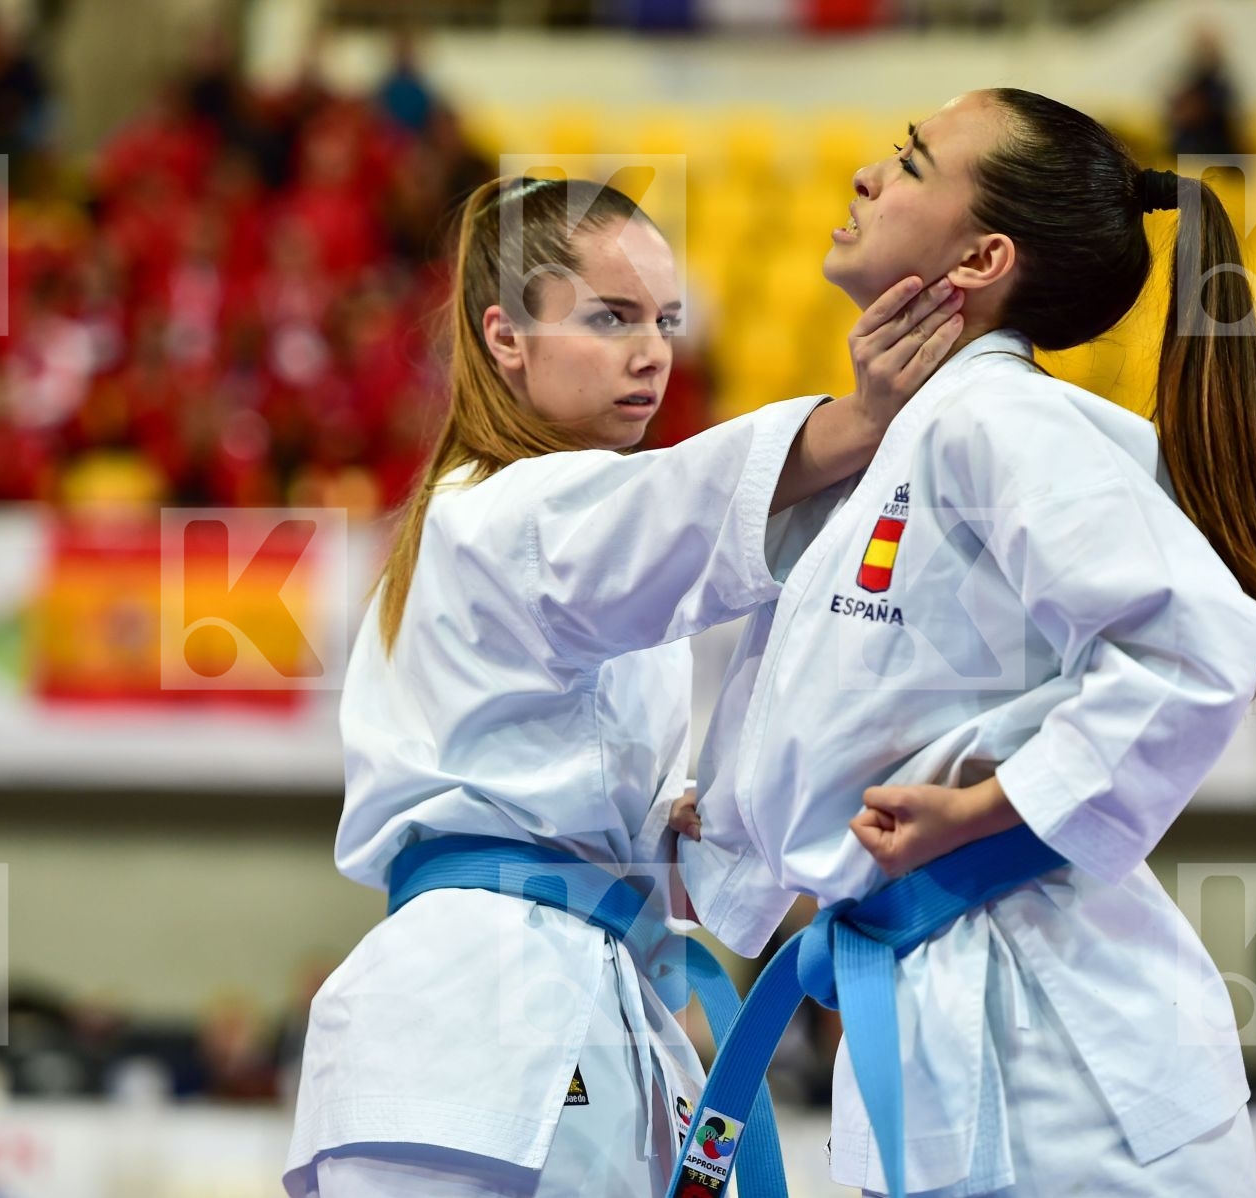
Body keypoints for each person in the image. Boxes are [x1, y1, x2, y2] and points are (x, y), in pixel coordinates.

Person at [675, 88, 1256, 1198]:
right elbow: (836, 714)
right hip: (939, 1011)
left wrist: (985, 806)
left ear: (982, 255)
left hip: (1059, 1050)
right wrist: (708, 839)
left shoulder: (1006, 421)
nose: (867, 175)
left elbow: (1190, 647)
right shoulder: (906, 437)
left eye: (909, 162)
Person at [282, 174, 964, 1197]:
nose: (652, 351)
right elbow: (679, 507)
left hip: (533, 1001)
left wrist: (680, 835)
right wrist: (860, 419)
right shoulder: (511, 513)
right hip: (489, 1012)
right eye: (610, 318)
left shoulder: (511, 515)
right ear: (506, 336)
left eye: (665, 320)